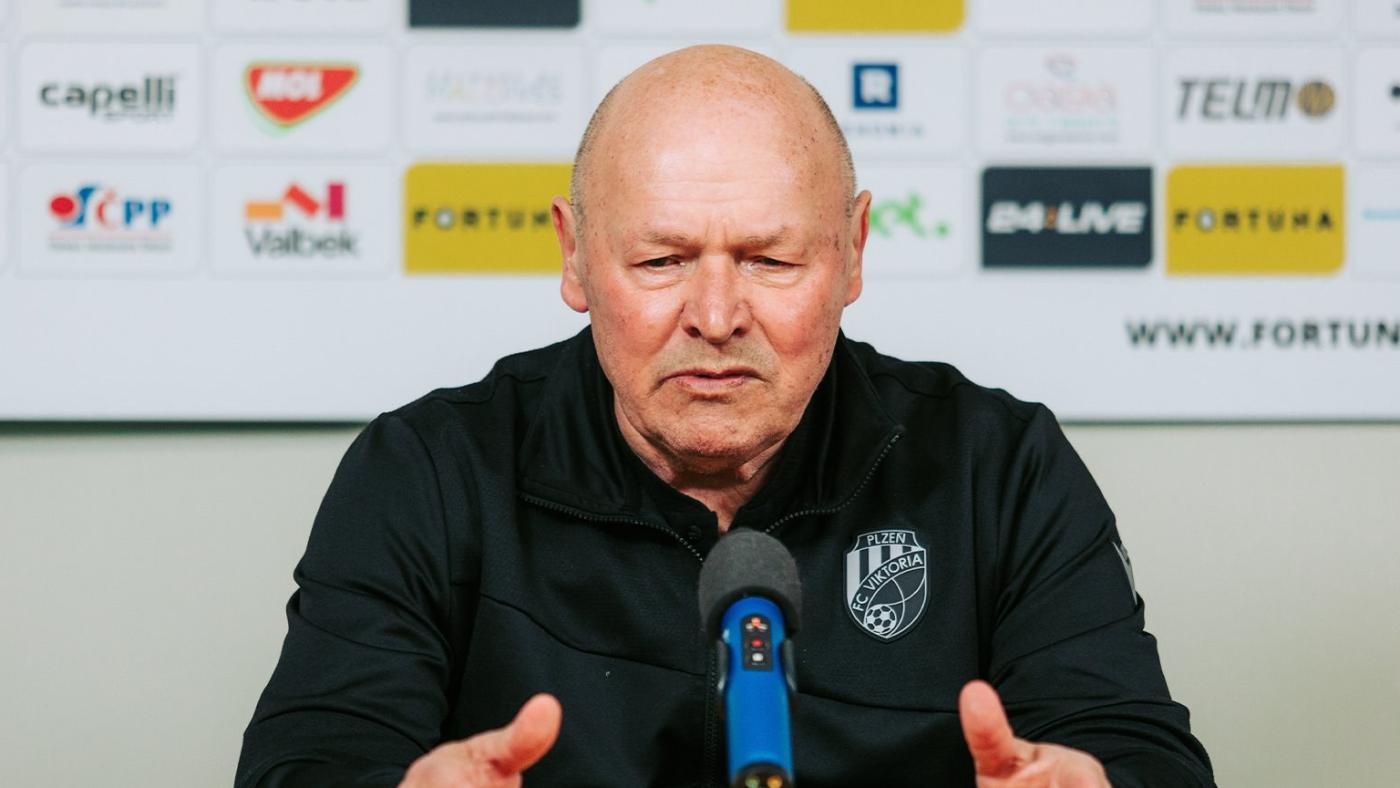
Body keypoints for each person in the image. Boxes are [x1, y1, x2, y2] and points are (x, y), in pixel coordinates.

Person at [237, 45, 1213, 787]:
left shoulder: (996, 469)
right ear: (574, 257)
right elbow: (310, 756)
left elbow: (1135, 750)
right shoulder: (427, 471)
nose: (714, 316)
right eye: (660, 261)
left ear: (853, 252)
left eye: (769, 260)